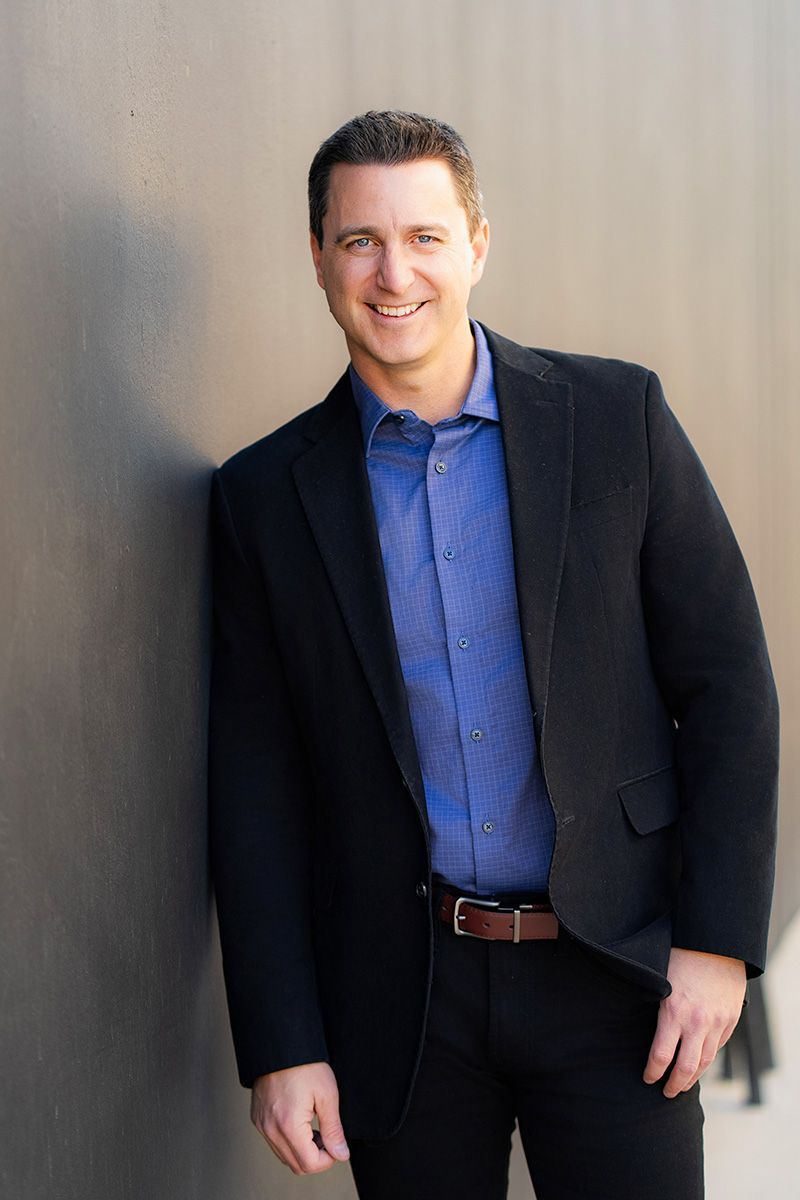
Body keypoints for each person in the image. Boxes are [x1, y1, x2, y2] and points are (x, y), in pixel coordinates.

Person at [208, 110, 779, 1199]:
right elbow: (254, 786)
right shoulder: (261, 497)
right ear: (318, 258)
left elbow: (727, 692)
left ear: (476, 245)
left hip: (616, 974)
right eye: (359, 240)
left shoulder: (617, 418)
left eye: (423, 236)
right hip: (401, 997)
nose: (392, 273)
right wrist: (281, 1041)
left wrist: (713, 947)